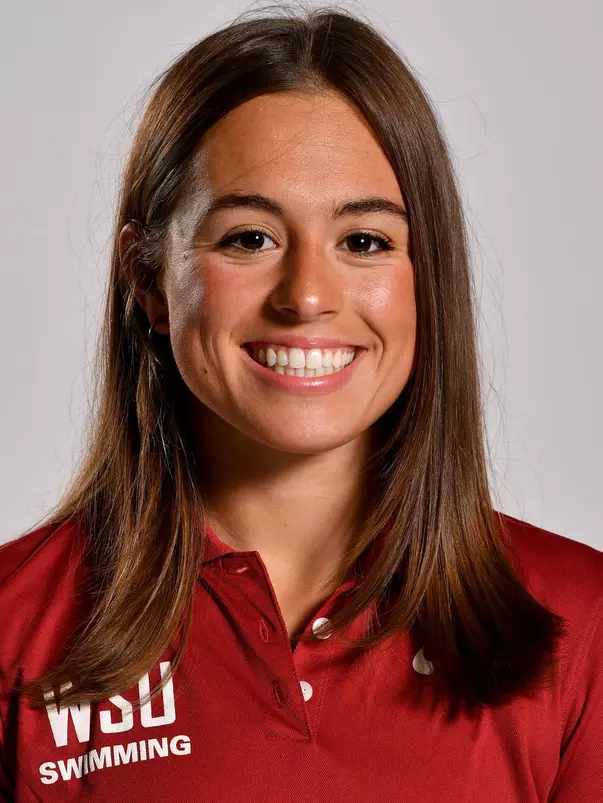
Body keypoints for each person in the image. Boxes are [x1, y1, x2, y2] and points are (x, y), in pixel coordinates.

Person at [0, 4, 601, 801]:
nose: (308, 296)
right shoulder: (13, 627)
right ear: (147, 278)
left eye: (364, 241)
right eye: (248, 238)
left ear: (426, 278)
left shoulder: (579, 622)